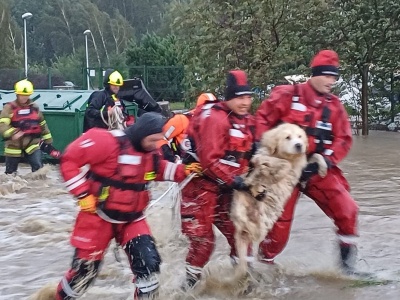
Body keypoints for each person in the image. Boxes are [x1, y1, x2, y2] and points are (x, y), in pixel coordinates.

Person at [54, 112, 201, 300]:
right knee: (84, 273)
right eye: (153, 140)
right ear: (141, 134)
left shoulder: (151, 152)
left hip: (133, 219)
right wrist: (82, 194)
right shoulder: (105, 141)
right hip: (98, 216)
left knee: (149, 268)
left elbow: (159, 169)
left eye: (158, 141)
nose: (156, 145)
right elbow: (69, 160)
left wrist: (184, 171)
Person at [255, 49, 359, 274]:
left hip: (316, 168)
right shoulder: (287, 95)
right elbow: (262, 119)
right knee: (278, 230)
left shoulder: (334, 106)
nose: (332, 81)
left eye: (335, 77)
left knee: (347, 209)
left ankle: (347, 268)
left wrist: (327, 159)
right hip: (284, 170)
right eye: (328, 76)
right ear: (315, 74)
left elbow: (343, 138)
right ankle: (261, 268)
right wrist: (263, 150)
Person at [180, 70, 255, 289]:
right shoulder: (214, 119)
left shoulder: (245, 120)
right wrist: (237, 182)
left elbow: (248, 151)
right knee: (204, 243)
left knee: (241, 234)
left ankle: (243, 283)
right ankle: (188, 288)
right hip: (199, 186)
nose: (245, 102)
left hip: (225, 187)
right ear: (229, 97)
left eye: (248, 97)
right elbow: (209, 162)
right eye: (240, 97)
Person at [0, 79, 56, 174]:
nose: (24, 97)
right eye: (22, 95)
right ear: (17, 94)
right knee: (10, 174)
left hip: (32, 143)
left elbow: (42, 124)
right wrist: (13, 133)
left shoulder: (34, 107)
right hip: (14, 145)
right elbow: (2, 125)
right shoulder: (9, 108)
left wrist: (48, 141)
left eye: (27, 95)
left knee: (39, 171)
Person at [158, 93, 217, 162]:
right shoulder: (181, 120)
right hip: (182, 165)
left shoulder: (216, 125)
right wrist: (173, 159)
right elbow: (159, 138)